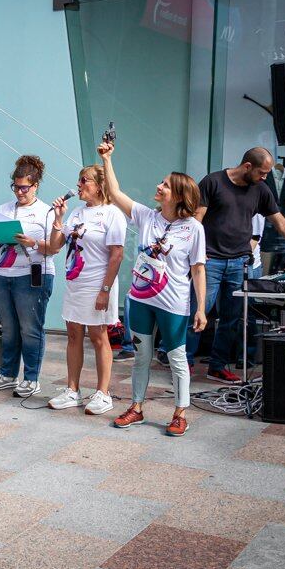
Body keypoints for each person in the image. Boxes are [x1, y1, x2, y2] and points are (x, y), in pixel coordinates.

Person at [99, 141, 206, 436]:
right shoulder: (147, 216)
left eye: (166, 185)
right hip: (141, 300)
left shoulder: (193, 228)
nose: (159, 186)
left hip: (174, 304)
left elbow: (198, 268)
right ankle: (137, 407)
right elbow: (115, 193)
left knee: (176, 358)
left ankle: (180, 412)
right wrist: (107, 159)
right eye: (161, 182)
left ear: (180, 195)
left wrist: (200, 308)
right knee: (141, 357)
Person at [188, 147, 285, 383]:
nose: (265, 177)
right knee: (197, 313)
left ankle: (218, 365)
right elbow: (196, 221)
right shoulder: (213, 182)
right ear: (247, 167)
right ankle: (184, 364)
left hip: (239, 263)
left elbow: (281, 224)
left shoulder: (261, 190)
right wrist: (197, 255)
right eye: (262, 172)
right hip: (210, 261)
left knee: (232, 318)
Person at [46, 164, 126, 415]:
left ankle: (103, 393)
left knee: (99, 335)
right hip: (76, 282)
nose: (79, 185)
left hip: (98, 283)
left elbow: (117, 255)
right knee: (73, 333)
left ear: (100, 186)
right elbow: (55, 245)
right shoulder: (78, 213)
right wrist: (58, 219)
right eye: (79, 180)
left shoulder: (113, 214)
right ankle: (73, 390)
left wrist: (105, 290)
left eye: (84, 181)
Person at [0, 155, 56, 399]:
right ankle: (7, 374)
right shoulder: (4, 208)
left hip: (31, 275)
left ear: (35, 185)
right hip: (1, 273)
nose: (19, 192)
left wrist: (33, 242)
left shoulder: (46, 211)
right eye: (16, 187)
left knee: (30, 328)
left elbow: (54, 248)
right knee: (8, 327)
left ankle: (32, 378)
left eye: (24, 187)